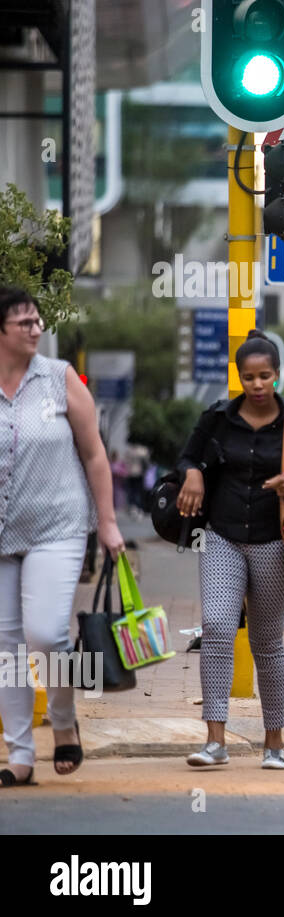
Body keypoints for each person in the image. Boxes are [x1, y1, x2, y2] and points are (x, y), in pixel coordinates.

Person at [175, 329, 284, 771]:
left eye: (265, 376)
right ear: (239, 378)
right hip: (222, 536)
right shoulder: (218, 418)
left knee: (267, 642)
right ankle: (215, 740)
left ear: (278, 376)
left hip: (272, 541)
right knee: (216, 626)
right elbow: (186, 458)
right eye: (249, 377)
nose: (258, 385)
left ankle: (274, 742)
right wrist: (193, 474)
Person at [0, 286, 124, 787]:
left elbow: (95, 454)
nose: (36, 329)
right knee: (6, 651)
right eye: (24, 322)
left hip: (58, 526)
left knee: (46, 635)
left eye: (37, 320)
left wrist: (109, 522)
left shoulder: (59, 379)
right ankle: (19, 756)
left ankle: (65, 720)